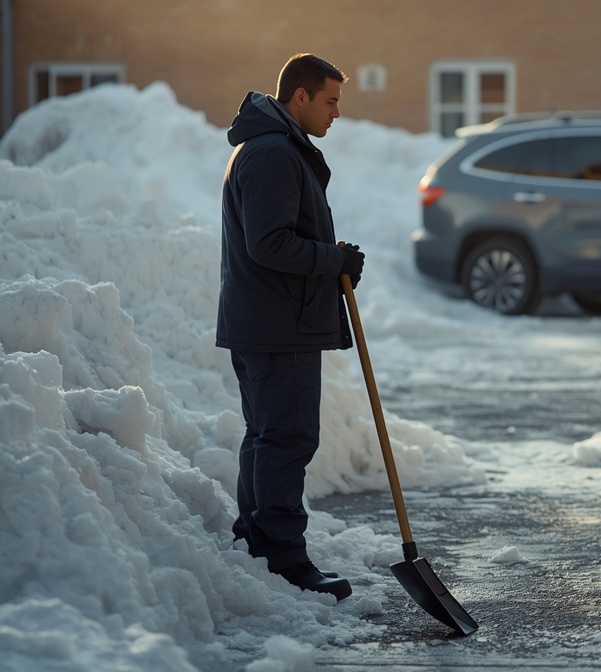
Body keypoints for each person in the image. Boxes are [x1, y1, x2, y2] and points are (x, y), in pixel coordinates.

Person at [217, 53, 364, 601]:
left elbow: (274, 236)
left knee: (267, 436)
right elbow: (270, 243)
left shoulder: (268, 148)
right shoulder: (274, 154)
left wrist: (332, 256)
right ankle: (282, 557)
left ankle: (256, 540)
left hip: (267, 319)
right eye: (329, 101)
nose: (335, 114)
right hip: (279, 324)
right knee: (287, 438)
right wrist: (333, 260)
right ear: (298, 98)